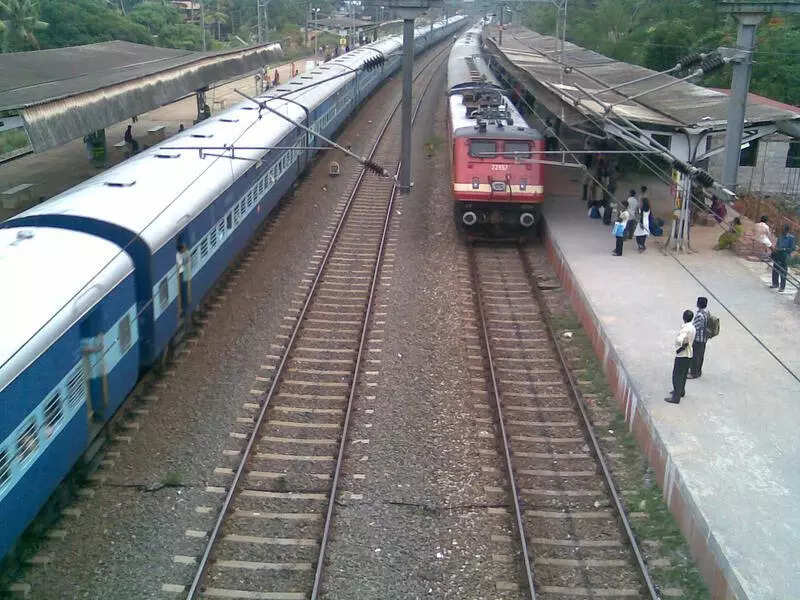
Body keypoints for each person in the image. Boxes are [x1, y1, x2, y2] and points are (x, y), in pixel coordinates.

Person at [665, 310, 696, 404]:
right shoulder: (693, 327)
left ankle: (676, 397)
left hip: (682, 355)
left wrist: (679, 344)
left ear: (684, 317)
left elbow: (679, 340)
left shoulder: (685, 329)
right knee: (683, 375)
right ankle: (681, 391)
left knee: (677, 376)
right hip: (689, 354)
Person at [688, 297, 709, 379]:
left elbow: (694, 326)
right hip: (704, 338)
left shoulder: (700, 315)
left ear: (698, 304)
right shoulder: (706, 313)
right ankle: (698, 371)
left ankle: (694, 373)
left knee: (695, 356)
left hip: (698, 339)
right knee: (700, 356)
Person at [771, 224, 796, 292]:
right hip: (778, 254)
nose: (782, 231)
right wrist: (775, 249)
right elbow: (777, 244)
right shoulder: (780, 236)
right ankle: (775, 284)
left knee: (783, 271)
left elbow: (792, 248)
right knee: (775, 269)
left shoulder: (791, 238)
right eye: (782, 229)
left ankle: (782, 287)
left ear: (787, 230)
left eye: (784, 230)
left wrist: (784, 249)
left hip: (785, 256)